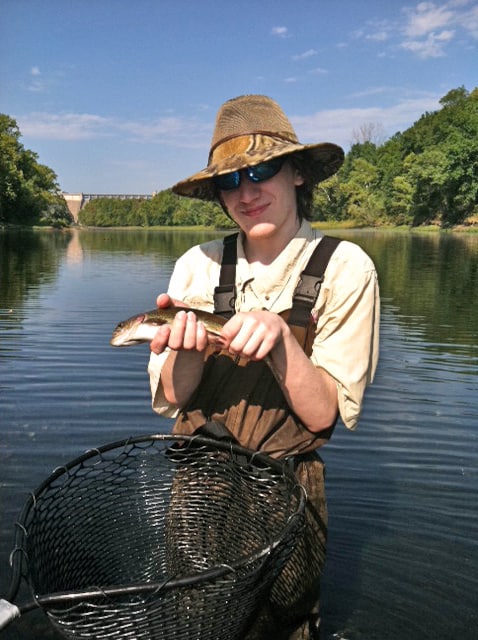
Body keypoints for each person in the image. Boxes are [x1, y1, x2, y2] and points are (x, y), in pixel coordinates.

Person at [148, 94, 380, 639]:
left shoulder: (345, 268)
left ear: (297, 172)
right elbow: (176, 397)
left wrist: (281, 341)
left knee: (285, 625)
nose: (246, 193)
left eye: (260, 171)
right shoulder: (197, 264)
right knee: (195, 618)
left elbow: (322, 416)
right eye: (229, 181)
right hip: (199, 481)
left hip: (288, 489)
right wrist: (187, 351)